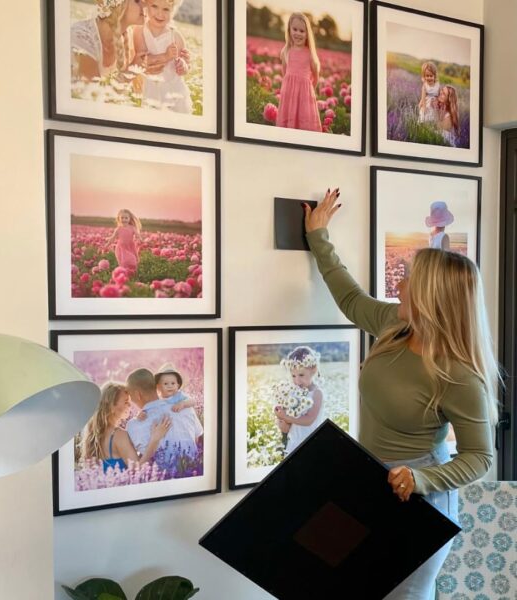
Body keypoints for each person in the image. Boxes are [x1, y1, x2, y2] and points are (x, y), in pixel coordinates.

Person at [303, 189, 497, 599]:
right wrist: (318, 236)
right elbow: (351, 299)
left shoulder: (458, 373)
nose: (400, 283)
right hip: (370, 484)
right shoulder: (396, 325)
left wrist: (421, 479)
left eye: (409, 278)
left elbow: (480, 457)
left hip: (419, 498)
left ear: (430, 295)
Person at [79, 382, 171, 473]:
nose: (130, 405)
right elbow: (137, 470)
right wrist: (155, 440)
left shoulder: (95, 436)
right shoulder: (118, 435)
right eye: (126, 402)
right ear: (111, 407)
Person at [125, 368, 203, 465]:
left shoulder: (133, 425)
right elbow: (196, 440)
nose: (130, 401)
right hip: (192, 469)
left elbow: (137, 466)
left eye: (130, 396)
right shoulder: (185, 408)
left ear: (138, 394)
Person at [132, 0, 193, 113]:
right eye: (155, 6)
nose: (160, 14)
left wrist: (183, 66)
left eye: (166, 9)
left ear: (173, 10)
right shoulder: (140, 30)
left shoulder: (175, 36)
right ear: (146, 5)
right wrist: (165, 56)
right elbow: (141, 60)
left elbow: (186, 64)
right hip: (152, 90)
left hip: (175, 91)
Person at [71, 0, 146, 81]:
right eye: (137, 1)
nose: (145, 5)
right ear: (119, 6)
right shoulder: (82, 36)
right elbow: (92, 86)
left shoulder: (128, 38)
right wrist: (129, 75)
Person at [273, 346, 325, 455]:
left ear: (313, 370)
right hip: (293, 445)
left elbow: (309, 420)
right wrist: (282, 421)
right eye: (293, 375)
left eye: (301, 375)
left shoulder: (316, 393)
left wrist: (286, 417)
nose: (297, 380)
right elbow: (287, 428)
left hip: (311, 444)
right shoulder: (292, 393)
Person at [275, 13, 322, 132]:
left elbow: (315, 76)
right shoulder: (286, 51)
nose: (298, 33)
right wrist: (288, 86)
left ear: (307, 34)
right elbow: (285, 73)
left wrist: (309, 91)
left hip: (304, 96)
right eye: (295, 29)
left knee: (303, 123)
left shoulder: (310, 54)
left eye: (302, 31)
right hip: (288, 93)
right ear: (289, 30)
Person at [103, 208, 142, 275]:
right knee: (124, 262)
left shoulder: (132, 228)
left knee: (133, 260)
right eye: (122, 218)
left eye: (126, 218)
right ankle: (124, 275)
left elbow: (137, 235)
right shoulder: (118, 229)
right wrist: (107, 244)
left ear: (129, 218)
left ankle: (133, 274)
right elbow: (112, 238)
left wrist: (140, 239)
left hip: (130, 247)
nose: (124, 219)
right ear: (119, 218)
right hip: (121, 248)